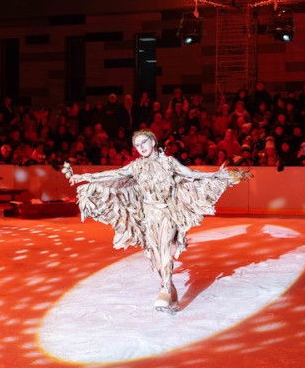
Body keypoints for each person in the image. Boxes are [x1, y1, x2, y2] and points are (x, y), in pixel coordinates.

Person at [62, 129, 250, 313]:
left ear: (153, 142)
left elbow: (191, 174)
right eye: (137, 145)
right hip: (148, 215)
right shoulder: (136, 166)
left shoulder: (168, 162)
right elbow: (114, 174)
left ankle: (165, 289)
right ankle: (170, 289)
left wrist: (218, 176)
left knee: (165, 247)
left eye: (144, 142)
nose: (141, 147)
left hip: (168, 212)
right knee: (157, 257)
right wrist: (84, 177)